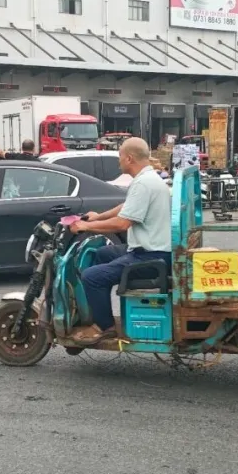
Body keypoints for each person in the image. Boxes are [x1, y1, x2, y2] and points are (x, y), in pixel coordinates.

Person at [68, 138, 172, 345]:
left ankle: (104, 326)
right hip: (149, 249)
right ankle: (97, 309)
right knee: (101, 254)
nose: (118, 162)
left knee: (92, 277)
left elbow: (123, 223)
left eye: (120, 157)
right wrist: (98, 217)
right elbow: (127, 206)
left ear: (129, 158)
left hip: (151, 256)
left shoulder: (144, 183)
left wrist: (86, 227)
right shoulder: (148, 178)